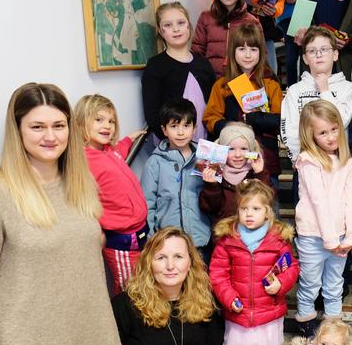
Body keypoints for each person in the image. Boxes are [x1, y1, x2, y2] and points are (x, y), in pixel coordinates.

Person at [0, 82, 124, 345]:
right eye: (37, 127)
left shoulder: (82, 186)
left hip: (94, 342)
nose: (51, 136)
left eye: (59, 125)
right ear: (18, 130)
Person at [209, 179, 300, 345]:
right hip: (239, 315)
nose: (249, 214)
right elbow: (218, 273)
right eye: (244, 209)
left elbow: (291, 267)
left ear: (267, 211)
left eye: (256, 209)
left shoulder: (278, 239)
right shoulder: (228, 239)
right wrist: (229, 297)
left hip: (268, 313)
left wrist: (280, 283)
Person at [111, 227, 226, 345]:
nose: (170, 266)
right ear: (149, 264)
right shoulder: (124, 305)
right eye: (161, 257)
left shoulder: (205, 302)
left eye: (178, 257)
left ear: (190, 263)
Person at [293, 100, 352, 338]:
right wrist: (330, 240)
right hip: (313, 236)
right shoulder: (308, 161)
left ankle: (333, 332)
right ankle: (307, 332)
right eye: (322, 132)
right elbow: (318, 202)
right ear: (310, 136)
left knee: (334, 284)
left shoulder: (346, 161)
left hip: (340, 237)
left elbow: (351, 201)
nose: (331, 137)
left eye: (334, 129)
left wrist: (350, 236)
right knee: (310, 285)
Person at [74, 94, 148, 296]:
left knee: (143, 280)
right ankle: (124, 325)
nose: (107, 125)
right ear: (81, 124)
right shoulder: (83, 160)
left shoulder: (109, 151)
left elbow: (120, 152)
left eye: (111, 121)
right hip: (121, 239)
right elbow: (81, 200)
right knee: (129, 289)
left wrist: (129, 139)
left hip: (140, 231)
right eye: (98, 120)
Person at [203, 22, 283, 197]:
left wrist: (254, 119)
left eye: (253, 49)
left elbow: (281, 120)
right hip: (232, 162)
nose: (248, 55)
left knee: (268, 206)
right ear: (232, 52)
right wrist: (234, 127)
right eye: (242, 49)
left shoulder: (270, 84)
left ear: (261, 52)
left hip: (264, 160)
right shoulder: (222, 86)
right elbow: (210, 119)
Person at [142, 98, 212, 262]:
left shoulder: (205, 158)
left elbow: (214, 200)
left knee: (201, 286)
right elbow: (147, 203)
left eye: (186, 126)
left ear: (194, 128)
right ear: (164, 130)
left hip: (200, 241)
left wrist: (213, 184)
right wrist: (152, 240)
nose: (180, 132)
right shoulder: (155, 163)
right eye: (174, 126)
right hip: (168, 244)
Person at [281, 25, 352, 166]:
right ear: (304, 58)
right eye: (312, 51)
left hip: (339, 165)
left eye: (324, 49)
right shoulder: (295, 91)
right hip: (305, 164)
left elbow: (343, 120)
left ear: (335, 55)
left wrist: (325, 92)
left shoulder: (347, 88)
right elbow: (289, 130)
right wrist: (298, 160)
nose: (319, 54)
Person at [142, 1, 216, 144]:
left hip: (206, 145)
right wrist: (172, 142)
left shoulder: (204, 63)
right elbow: (152, 113)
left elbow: (215, 105)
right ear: (160, 30)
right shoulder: (156, 66)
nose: (176, 29)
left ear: (189, 25)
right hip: (172, 149)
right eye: (168, 25)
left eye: (181, 23)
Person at [193, 0, 263, 78]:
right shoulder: (206, 18)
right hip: (211, 84)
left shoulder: (252, 22)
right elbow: (196, 54)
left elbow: (261, 57)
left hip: (243, 85)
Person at [200, 121, 274, 223]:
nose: (238, 155)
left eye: (244, 149)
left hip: (252, 235)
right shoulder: (216, 173)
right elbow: (209, 208)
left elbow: (269, 201)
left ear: (251, 150)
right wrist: (211, 186)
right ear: (222, 149)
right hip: (225, 235)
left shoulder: (255, 173)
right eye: (231, 149)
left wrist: (260, 173)